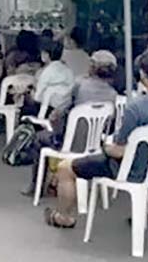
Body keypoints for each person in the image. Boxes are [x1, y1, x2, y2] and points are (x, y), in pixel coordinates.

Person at [44, 51, 148, 229]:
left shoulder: (136, 108)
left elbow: (119, 151)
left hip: (128, 169)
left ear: (142, 74)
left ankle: (63, 217)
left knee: (65, 168)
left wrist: (107, 146)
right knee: (143, 156)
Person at [22, 50, 119, 196]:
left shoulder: (80, 85)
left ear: (92, 66)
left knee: (39, 138)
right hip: (95, 145)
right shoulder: (112, 94)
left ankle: (36, 187)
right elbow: (109, 127)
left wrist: (53, 121)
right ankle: (55, 181)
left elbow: (60, 110)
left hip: (70, 143)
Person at [23, 38, 74, 117]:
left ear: (47, 55)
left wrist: (29, 94)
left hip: (47, 110)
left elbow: (37, 97)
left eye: (42, 53)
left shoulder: (47, 71)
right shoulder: (68, 70)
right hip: (64, 109)